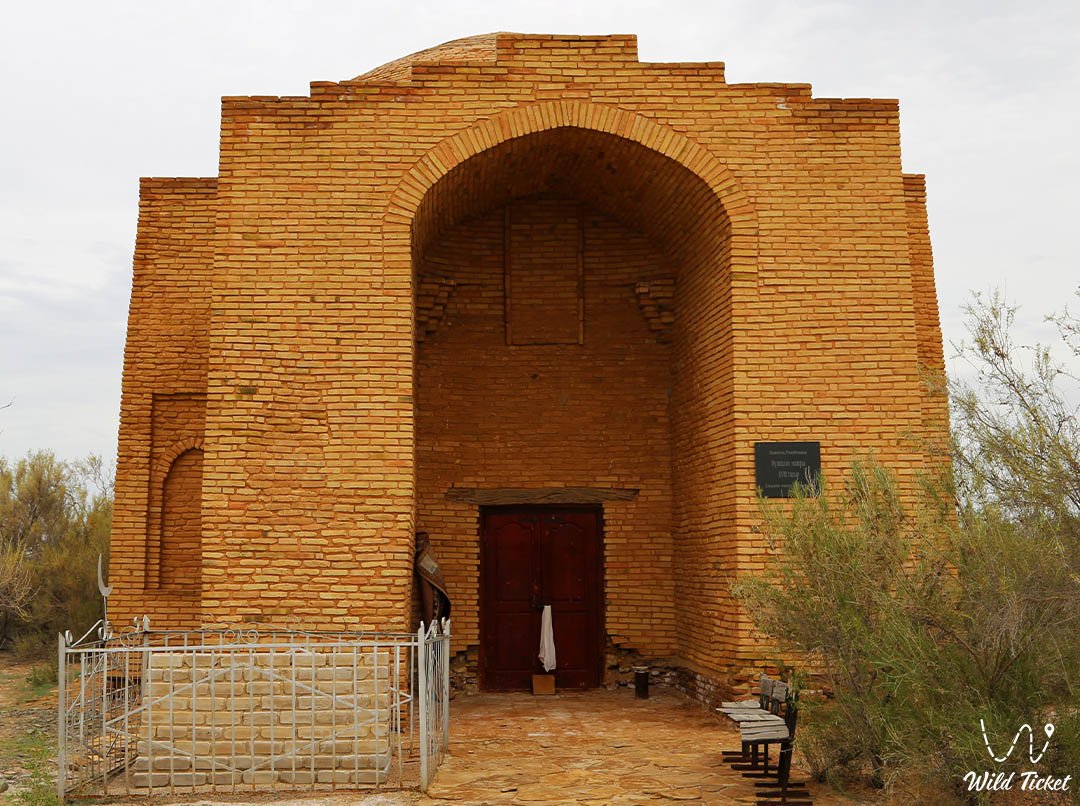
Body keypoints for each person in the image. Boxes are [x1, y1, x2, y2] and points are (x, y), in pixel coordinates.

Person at [414, 531, 451, 626]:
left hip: (433, 592)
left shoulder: (426, 554)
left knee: (431, 612)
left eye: (421, 540)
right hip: (427, 590)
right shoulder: (424, 553)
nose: (419, 543)